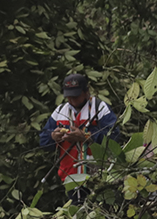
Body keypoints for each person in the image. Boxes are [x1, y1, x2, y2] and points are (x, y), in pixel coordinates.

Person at [39, 72, 119, 201]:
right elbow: (43, 140)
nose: (72, 100)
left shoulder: (99, 108)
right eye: (69, 96)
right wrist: (53, 136)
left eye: (76, 96)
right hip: (70, 176)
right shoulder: (60, 111)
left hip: (98, 174)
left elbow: (114, 135)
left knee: (103, 211)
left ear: (86, 92)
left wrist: (87, 136)